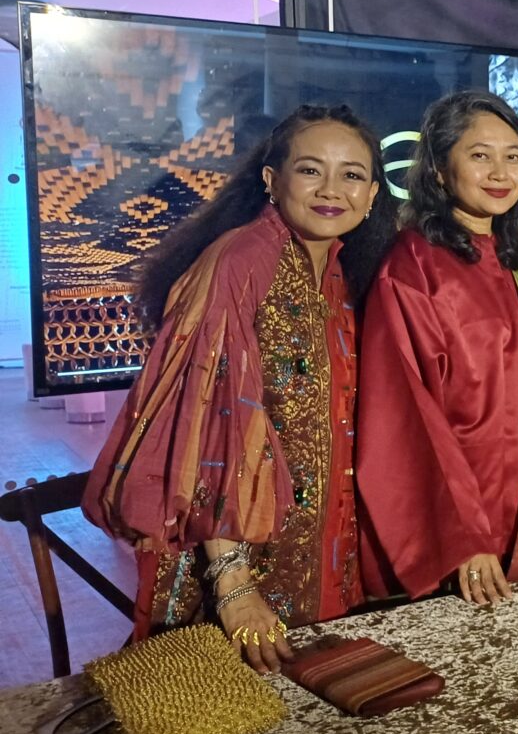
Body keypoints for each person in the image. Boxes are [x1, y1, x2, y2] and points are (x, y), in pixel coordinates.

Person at [83, 105, 396, 672]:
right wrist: (233, 585)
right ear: (272, 180)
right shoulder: (242, 260)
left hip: (319, 550)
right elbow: (206, 427)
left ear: (373, 193)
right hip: (238, 567)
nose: (332, 189)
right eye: (310, 170)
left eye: (352, 174)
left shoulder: (335, 269)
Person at [356, 91, 518, 606]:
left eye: (513, 156)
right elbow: (407, 417)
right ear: (439, 170)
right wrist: (461, 536)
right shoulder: (413, 266)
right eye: (479, 155)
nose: (499, 172)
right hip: (459, 511)